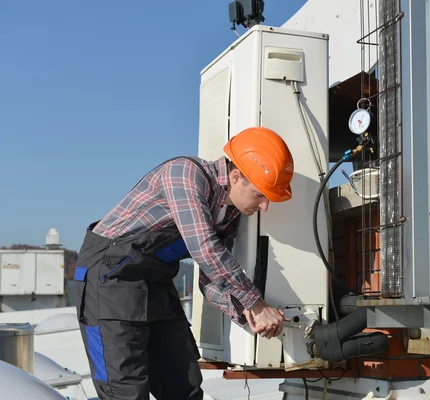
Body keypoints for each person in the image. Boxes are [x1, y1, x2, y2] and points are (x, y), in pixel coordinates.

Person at [72, 126, 295, 400]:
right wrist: (255, 303)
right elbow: (204, 248)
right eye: (261, 194)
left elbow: (210, 279)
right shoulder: (185, 175)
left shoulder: (229, 214)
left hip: (154, 283)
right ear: (236, 177)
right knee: (125, 392)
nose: (265, 207)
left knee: (184, 386)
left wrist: (246, 314)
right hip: (107, 278)